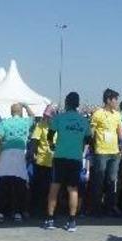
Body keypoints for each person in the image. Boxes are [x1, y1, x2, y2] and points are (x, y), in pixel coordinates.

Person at [44, 92, 91, 232]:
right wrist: (79, 146)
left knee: (55, 187)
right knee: (73, 189)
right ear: (78, 103)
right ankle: (71, 221)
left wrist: (53, 146)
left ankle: (50, 219)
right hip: (76, 158)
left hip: (60, 156)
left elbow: (50, 135)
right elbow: (88, 139)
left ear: (66, 103)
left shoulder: (59, 118)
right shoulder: (84, 120)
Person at [89, 88, 122, 216]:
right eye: (115, 99)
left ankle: (110, 207)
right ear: (108, 100)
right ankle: (96, 208)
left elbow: (121, 133)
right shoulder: (98, 114)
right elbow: (91, 133)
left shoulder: (116, 115)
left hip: (114, 153)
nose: (117, 102)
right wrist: (91, 148)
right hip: (101, 152)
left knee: (112, 181)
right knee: (99, 181)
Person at [0, 103, 35, 223]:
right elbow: (32, 116)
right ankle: (17, 213)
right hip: (20, 154)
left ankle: (0, 213)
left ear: (11, 112)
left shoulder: (4, 122)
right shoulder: (25, 122)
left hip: (6, 153)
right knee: (19, 183)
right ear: (21, 112)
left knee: (2, 182)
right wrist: (25, 106)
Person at [30, 105, 56, 216]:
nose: (46, 118)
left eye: (48, 116)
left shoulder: (58, 126)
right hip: (41, 161)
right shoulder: (40, 125)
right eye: (45, 116)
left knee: (52, 188)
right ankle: (37, 209)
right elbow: (34, 140)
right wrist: (32, 153)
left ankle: (50, 210)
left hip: (54, 161)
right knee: (40, 187)